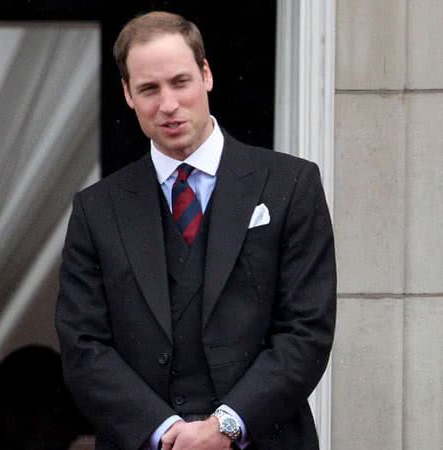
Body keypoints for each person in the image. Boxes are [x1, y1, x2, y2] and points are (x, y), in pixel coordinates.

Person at [56, 11, 336, 450]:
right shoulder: (96, 209)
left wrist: (225, 426)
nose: (167, 104)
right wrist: (165, 431)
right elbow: (83, 346)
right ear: (128, 94)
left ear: (206, 75)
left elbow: (307, 330)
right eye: (149, 89)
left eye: (180, 81)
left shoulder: (290, 184)